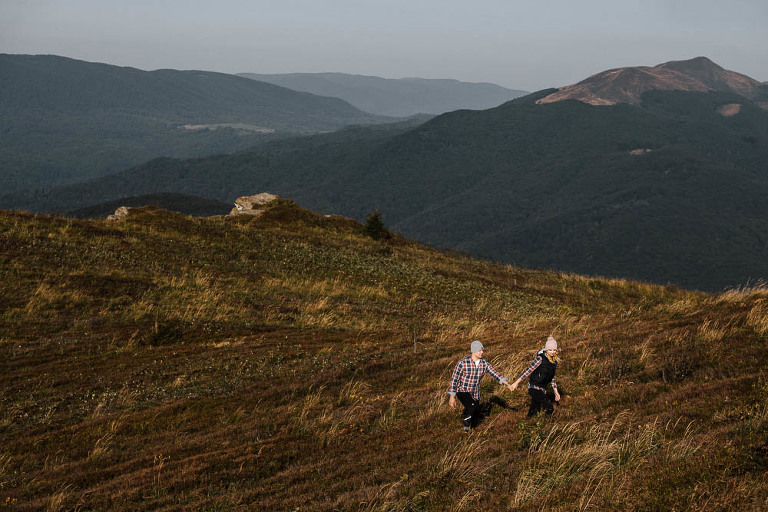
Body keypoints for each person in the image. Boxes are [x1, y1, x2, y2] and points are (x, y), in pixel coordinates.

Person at [448, 340, 514, 430]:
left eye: (482, 350)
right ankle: (465, 426)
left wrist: (508, 384)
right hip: (462, 391)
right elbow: (454, 379)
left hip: (475, 393)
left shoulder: (484, 364)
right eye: (480, 350)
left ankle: (471, 432)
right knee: (472, 407)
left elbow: (495, 374)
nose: (482, 352)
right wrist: (452, 396)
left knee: (475, 415)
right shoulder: (462, 363)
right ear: (474, 351)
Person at [510, 336, 561, 417]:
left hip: (543, 388)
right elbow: (528, 371)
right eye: (550, 350)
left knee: (534, 411)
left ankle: (529, 422)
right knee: (549, 406)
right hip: (534, 387)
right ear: (546, 349)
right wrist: (516, 383)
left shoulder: (554, 362)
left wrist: (556, 392)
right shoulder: (540, 358)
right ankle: (549, 424)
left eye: (554, 350)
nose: (552, 352)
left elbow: (553, 378)